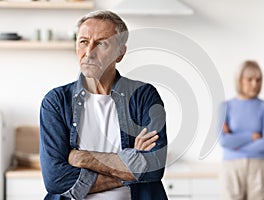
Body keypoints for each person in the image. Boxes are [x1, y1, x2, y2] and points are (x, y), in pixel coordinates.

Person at [40, 10, 168, 200]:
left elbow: (153, 166)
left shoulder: (143, 96)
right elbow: (56, 180)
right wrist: (130, 167)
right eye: (83, 41)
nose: (89, 52)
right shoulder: (56, 102)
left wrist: (83, 158)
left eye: (101, 43)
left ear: (120, 53)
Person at [219, 60, 264, 200]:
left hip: (259, 167)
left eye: (258, 79)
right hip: (231, 168)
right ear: (239, 80)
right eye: (249, 79)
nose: (255, 84)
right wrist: (252, 136)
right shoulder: (225, 107)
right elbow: (224, 141)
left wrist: (236, 143)